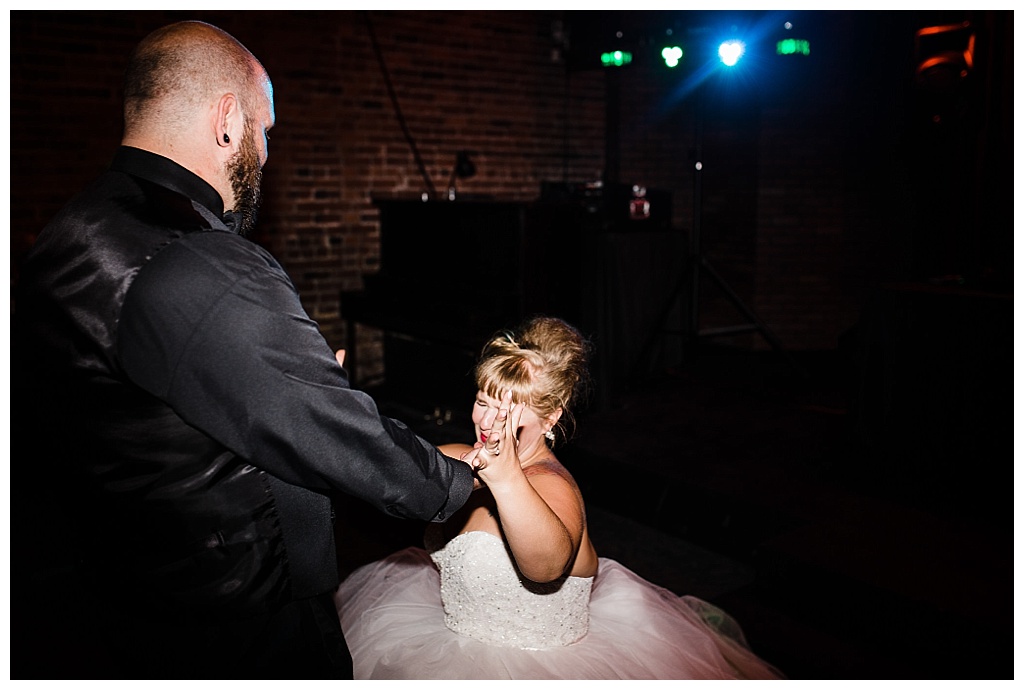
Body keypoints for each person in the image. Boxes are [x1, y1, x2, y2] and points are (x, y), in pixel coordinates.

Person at [11, 21, 474, 679]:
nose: (265, 149)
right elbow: (340, 438)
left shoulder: (63, 235)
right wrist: (463, 484)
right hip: (232, 612)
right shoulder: (204, 259)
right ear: (226, 120)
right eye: (265, 128)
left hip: (120, 588)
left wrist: (283, 384)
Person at [334, 316, 784, 679]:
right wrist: (335, 408)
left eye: (509, 410)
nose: (488, 420)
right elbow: (382, 467)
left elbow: (545, 567)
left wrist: (508, 478)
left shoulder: (554, 485)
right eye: (483, 401)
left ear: (551, 416)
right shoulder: (459, 457)